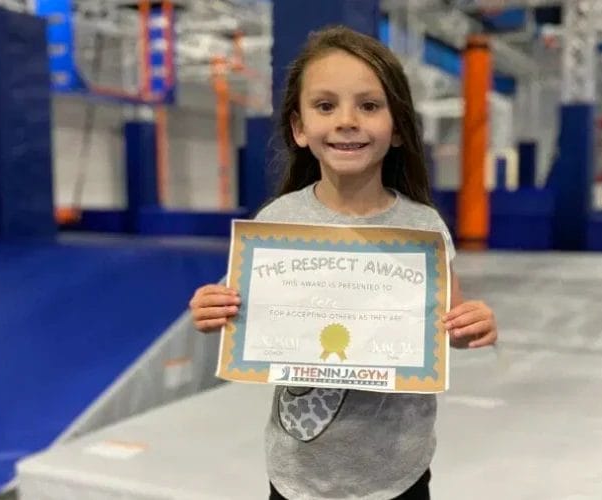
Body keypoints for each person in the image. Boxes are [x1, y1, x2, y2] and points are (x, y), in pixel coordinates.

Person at [188, 25, 498, 500]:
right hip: (296, 477)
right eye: (325, 105)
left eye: (369, 106)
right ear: (299, 128)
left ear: (396, 129)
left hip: (397, 474)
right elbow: (241, 311)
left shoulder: (423, 228)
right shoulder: (278, 222)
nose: (347, 120)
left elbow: (449, 327)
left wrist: (472, 325)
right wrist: (213, 308)